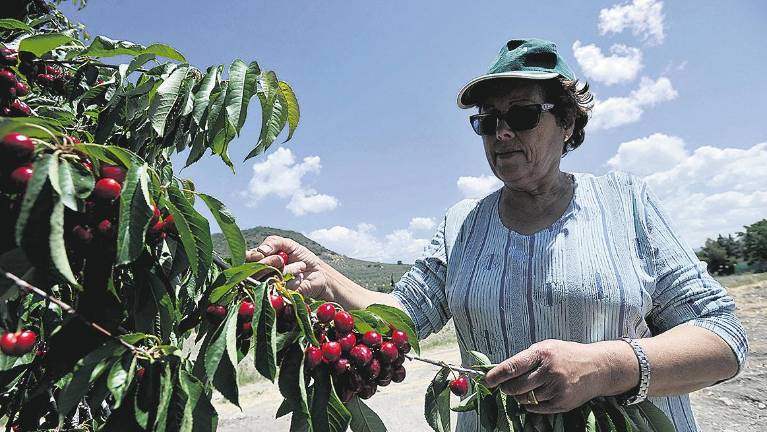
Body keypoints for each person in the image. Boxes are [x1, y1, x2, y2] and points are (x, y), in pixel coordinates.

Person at [246, 38, 748, 431]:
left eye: (523, 115)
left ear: (569, 122)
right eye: (487, 121)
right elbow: (403, 318)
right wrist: (327, 278)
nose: (501, 132)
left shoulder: (626, 203)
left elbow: (724, 339)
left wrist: (604, 367)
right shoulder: (461, 224)